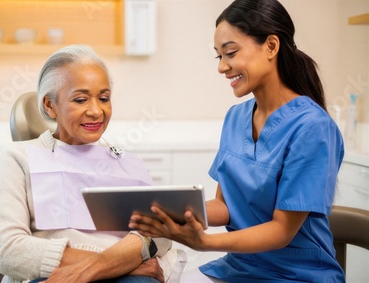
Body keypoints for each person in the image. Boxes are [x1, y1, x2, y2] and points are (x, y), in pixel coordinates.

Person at [129, 0, 345, 282]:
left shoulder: (312, 127)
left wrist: (204, 243)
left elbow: (281, 230)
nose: (222, 67)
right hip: (239, 269)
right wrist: (171, 214)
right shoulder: (236, 117)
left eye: (230, 53)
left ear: (271, 46)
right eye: (218, 56)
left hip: (297, 275)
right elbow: (226, 206)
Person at [0, 44, 185, 283]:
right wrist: (120, 264)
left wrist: (114, 265)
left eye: (104, 98)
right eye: (81, 99)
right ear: (50, 105)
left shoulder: (125, 162)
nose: (96, 111)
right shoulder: (18, 157)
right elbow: (9, 251)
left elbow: (160, 238)